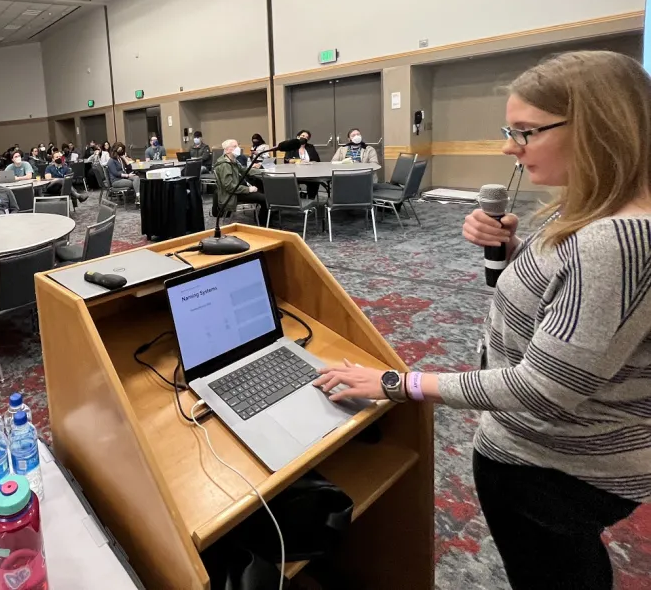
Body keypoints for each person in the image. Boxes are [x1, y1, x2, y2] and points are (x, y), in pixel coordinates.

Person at [313, 51, 651, 590]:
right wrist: (514, 251)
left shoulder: (613, 238)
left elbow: (547, 389)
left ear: (599, 126)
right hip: (557, 455)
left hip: (555, 466)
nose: (508, 148)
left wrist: (396, 384)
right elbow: (576, 308)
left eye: (525, 132)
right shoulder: (595, 212)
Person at [214, 139, 266, 224]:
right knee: (264, 199)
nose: (237, 148)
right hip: (231, 196)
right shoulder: (225, 165)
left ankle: (262, 220)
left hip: (235, 192)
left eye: (237, 146)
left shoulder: (233, 161)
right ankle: (263, 224)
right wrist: (248, 189)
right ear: (227, 150)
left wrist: (263, 171)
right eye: (234, 146)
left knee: (261, 192)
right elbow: (230, 187)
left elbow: (245, 170)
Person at [291, 130, 323, 199]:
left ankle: (311, 199)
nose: (304, 138)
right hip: (295, 173)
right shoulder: (291, 147)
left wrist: (310, 163)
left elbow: (317, 160)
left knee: (315, 181)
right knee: (289, 182)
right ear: (298, 137)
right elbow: (287, 160)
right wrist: (299, 161)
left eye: (306, 137)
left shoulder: (310, 147)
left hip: (310, 173)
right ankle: (295, 199)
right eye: (303, 136)